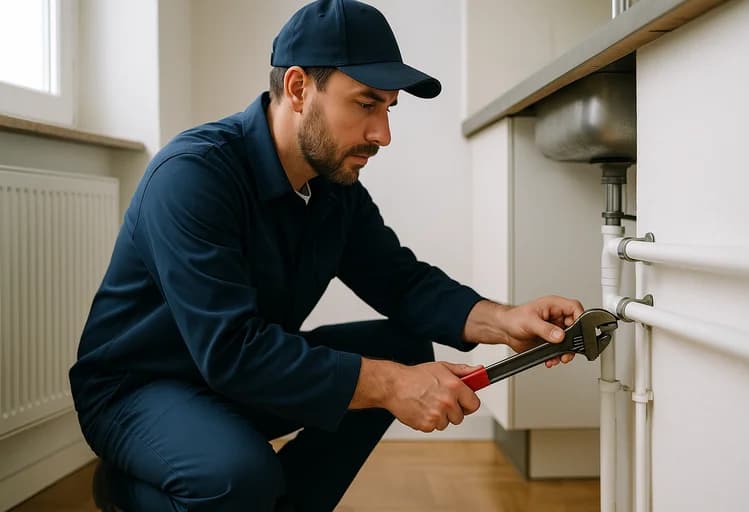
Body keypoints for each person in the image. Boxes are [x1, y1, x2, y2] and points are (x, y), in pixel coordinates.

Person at [70, 1, 583, 511]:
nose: (383, 134)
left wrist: (505, 320)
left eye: (388, 108)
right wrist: (389, 385)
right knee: (240, 476)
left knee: (402, 347)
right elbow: (231, 349)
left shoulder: (331, 186)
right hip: (138, 390)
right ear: (297, 89)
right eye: (366, 104)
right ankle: (127, 494)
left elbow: (400, 282)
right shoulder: (193, 177)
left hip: (231, 379)